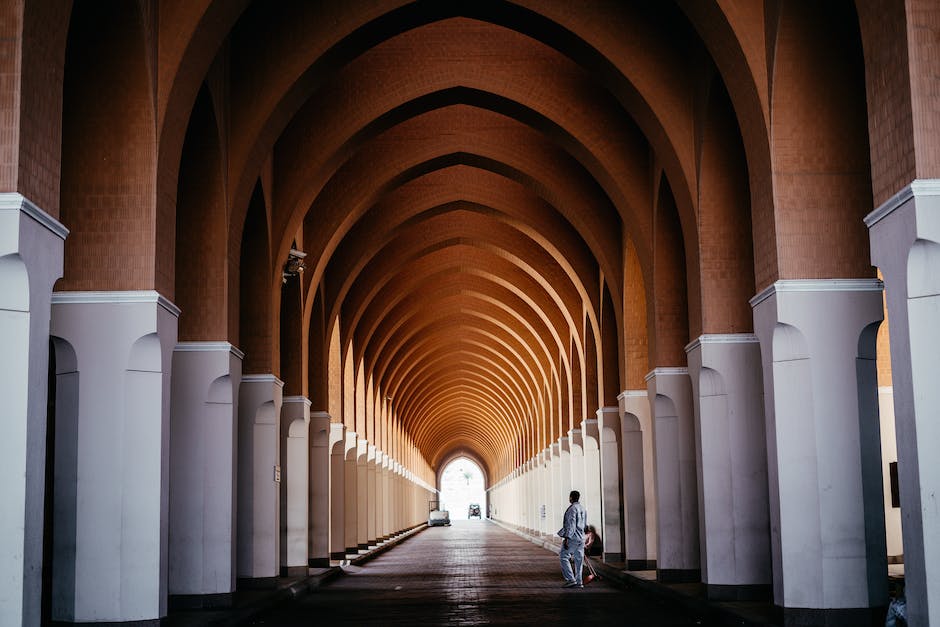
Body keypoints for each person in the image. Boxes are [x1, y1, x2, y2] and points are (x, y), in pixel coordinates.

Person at [557, 490, 587, 588]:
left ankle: (570, 579)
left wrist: (566, 538)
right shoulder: (583, 508)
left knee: (563, 556)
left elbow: (571, 525)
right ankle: (579, 582)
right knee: (579, 560)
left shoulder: (572, 509)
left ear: (571, 497)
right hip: (581, 538)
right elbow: (585, 525)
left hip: (573, 537)